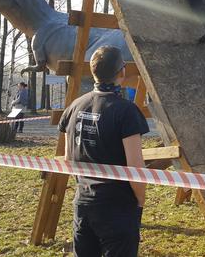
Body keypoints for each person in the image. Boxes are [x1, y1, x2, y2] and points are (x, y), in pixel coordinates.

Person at [59, 46, 148, 256]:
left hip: (83, 204)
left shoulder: (74, 106)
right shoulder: (127, 111)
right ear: (122, 72)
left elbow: (67, 159)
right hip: (117, 207)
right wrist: (140, 202)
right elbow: (136, 168)